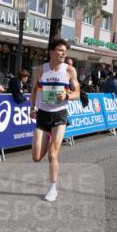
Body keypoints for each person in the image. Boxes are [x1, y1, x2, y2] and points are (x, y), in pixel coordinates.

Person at [30, 37, 80, 202]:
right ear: (51, 51)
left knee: (52, 155)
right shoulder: (40, 70)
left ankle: (52, 188)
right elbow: (34, 90)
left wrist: (67, 94)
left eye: (65, 51)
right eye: (60, 50)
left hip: (59, 114)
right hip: (43, 114)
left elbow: (77, 93)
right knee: (37, 157)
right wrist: (32, 108)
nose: (63, 53)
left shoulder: (69, 70)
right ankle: (48, 139)